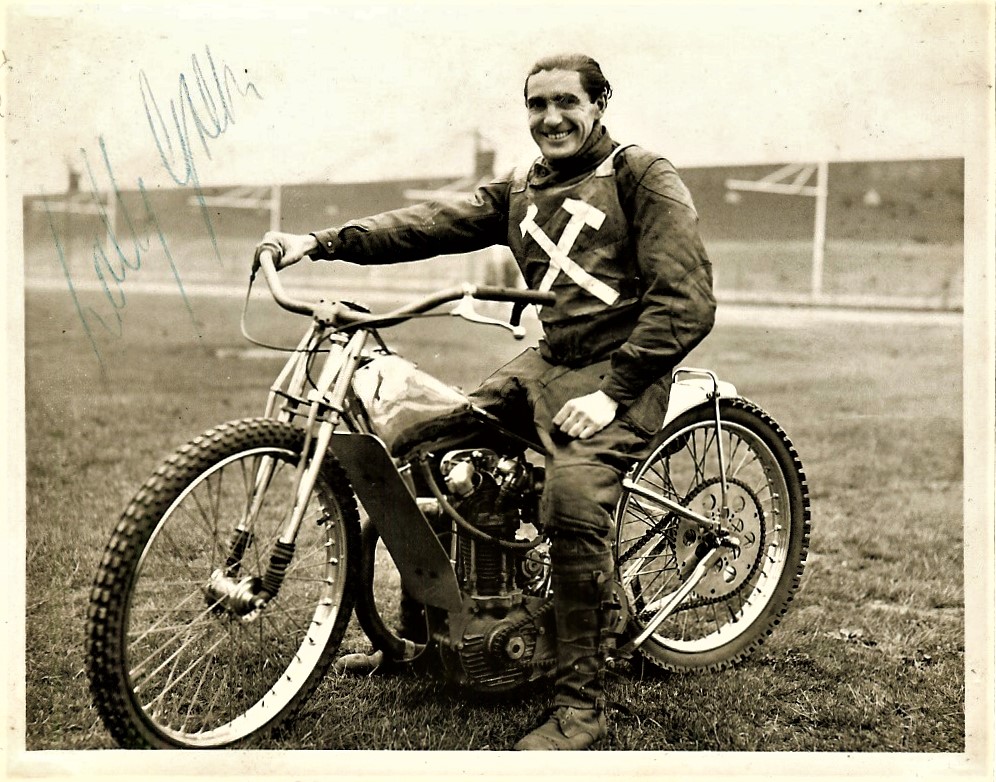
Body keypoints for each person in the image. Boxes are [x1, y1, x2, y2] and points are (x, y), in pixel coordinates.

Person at [259, 52, 716, 751]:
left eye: (567, 101)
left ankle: (581, 708)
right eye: (537, 104)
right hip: (548, 362)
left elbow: (686, 303)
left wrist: (613, 394)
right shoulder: (522, 188)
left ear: (599, 103)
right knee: (421, 445)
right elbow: (425, 224)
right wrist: (317, 243)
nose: (551, 117)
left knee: (570, 502)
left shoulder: (640, 174)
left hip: (623, 372)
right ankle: (417, 638)